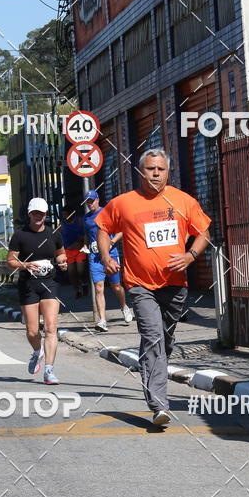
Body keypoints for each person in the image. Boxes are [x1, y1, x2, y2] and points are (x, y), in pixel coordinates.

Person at [96, 148, 211, 426]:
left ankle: (153, 367)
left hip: (175, 285)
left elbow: (203, 232)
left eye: (160, 169)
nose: (155, 174)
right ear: (140, 171)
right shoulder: (124, 203)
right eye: (150, 169)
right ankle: (159, 405)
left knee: (165, 340)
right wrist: (105, 256)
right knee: (154, 338)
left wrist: (190, 255)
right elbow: (103, 228)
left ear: (167, 172)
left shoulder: (183, 201)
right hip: (140, 285)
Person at [7, 198, 67, 385]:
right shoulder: (19, 235)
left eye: (41, 213)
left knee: (50, 328)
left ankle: (49, 371)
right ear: (30, 214)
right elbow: (10, 262)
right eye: (35, 213)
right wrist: (25, 265)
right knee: (33, 331)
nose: (38, 216)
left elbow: (61, 253)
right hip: (28, 285)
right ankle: (36, 352)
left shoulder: (53, 234)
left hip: (50, 283)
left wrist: (63, 262)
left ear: (46, 214)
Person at [83, 189, 133, 332]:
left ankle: (124, 306)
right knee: (99, 288)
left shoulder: (107, 212)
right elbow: (87, 235)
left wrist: (111, 242)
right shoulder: (86, 218)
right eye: (88, 202)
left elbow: (121, 230)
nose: (90, 204)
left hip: (110, 255)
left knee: (116, 286)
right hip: (95, 256)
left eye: (92, 201)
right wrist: (86, 245)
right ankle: (102, 321)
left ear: (98, 199)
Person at [61, 205, 88, 298]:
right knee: (71, 273)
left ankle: (84, 284)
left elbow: (85, 234)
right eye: (63, 214)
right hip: (68, 251)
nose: (64, 216)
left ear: (71, 214)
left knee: (80, 270)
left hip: (80, 249)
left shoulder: (79, 221)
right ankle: (77, 290)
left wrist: (84, 243)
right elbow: (58, 237)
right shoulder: (62, 224)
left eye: (66, 214)